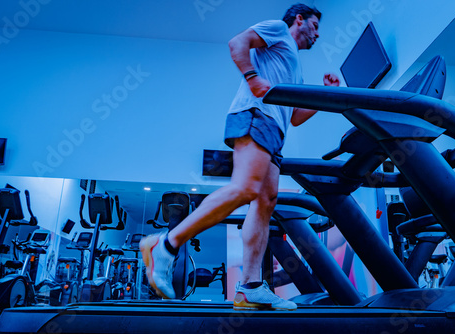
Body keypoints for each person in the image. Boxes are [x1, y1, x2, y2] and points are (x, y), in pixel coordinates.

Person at [141, 3, 340, 311]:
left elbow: (297, 116)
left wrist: (325, 95)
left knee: (265, 201)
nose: (317, 34)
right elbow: (237, 43)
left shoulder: (295, 67)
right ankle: (165, 245)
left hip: (275, 130)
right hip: (254, 115)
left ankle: (249, 287)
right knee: (247, 188)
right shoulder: (278, 30)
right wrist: (251, 76)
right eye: (314, 25)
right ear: (298, 19)